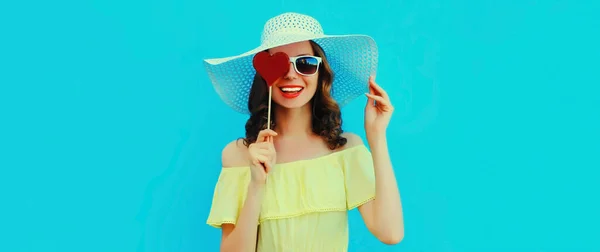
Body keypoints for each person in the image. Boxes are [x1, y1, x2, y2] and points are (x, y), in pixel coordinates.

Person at [203, 12, 404, 252]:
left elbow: (390, 233)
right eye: (279, 64)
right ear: (265, 76)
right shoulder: (239, 155)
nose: (290, 74)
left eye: (305, 64)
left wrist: (377, 137)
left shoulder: (345, 150)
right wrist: (256, 184)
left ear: (321, 75)